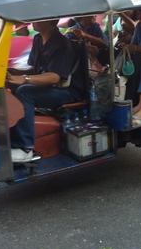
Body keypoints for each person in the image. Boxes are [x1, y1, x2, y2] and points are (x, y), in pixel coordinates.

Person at [6, 20, 85, 162]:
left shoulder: (63, 45)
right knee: (11, 86)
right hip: (50, 86)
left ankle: (24, 147)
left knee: (25, 92)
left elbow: (54, 77)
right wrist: (15, 73)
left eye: (37, 18)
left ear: (49, 21)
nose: (32, 22)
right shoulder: (38, 39)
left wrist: (24, 79)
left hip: (67, 90)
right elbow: (36, 71)